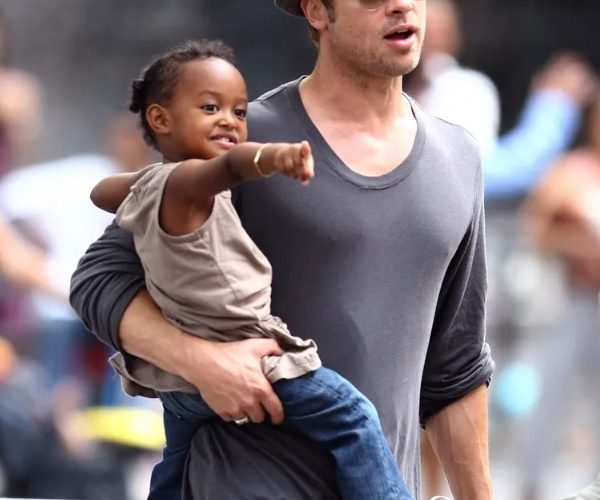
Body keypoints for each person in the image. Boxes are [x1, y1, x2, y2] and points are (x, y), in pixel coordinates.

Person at [70, 1, 495, 499]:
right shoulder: (240, 143)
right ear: (317, 11)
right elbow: (98, 280)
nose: (401, 5)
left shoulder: (458, 158)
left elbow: (454, 371)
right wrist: (201, 362)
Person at [90, 38, 412, 500]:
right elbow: (231, 166)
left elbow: (100, 192)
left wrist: (142, 183)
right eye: (210, 107)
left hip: (178, 386)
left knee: (177, 460)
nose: (229, 120)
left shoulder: (154, 185)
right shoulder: (189, 182)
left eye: (239, 112)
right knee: (354, 417)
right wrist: (274, 157)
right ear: (160, 119)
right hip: (244, 353)